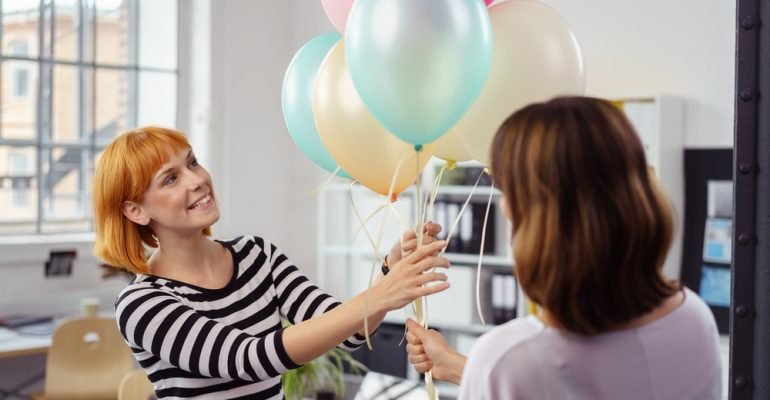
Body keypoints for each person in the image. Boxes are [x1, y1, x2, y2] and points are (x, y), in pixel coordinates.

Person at [92, 126, 450, 399]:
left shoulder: (256, 255)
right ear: (136, 211)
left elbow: (350, 333)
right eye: (171, 179)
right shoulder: (142, 304)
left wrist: (388, 270)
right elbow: (250, 360)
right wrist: (383, 293)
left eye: (192, 163)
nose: (198, 180)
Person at [405, 96, 722, 399]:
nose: (504, 208)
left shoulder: (507, 359)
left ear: (534, 214)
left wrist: (477, 373)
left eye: (510, 191)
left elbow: (527, 375)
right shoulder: (694, 318)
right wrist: (461, 367)